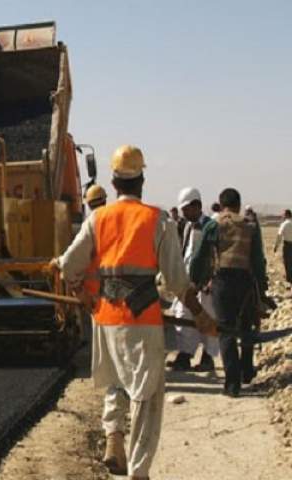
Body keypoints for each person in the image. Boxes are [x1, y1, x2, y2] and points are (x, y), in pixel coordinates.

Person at [53, 145, 212, 479]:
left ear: (113, 183)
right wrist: (199, 313)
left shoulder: (98, 218)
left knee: (115, 383)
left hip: (105, 319)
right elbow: (177, 281)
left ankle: (114, 437)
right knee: (147, 396)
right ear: (142, 180)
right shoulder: (158, 220)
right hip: (142, 320)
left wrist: (81, 293)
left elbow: (68, 266)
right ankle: (139, 472)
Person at [190, 188, 267, 397]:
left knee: (226, 331)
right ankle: (247, 370)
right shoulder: (250, 225)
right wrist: (262, 288)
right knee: (247, 326)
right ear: (238, 204)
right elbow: (258, 260)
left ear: (221, 204)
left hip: (222, 283)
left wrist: (196, 281)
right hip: (246, 283)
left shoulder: (213, 225)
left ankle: (232, 384)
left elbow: (200, 258)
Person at [166, 187, 219, 371]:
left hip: (205, 285)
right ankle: (185, 354)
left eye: (186, 209)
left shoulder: (209, 227)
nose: (184, 213)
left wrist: (207, 280)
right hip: (188, 282)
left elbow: (212, 257)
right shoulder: (188, 226)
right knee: (183, 316)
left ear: (197, 206)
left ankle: (207, 357)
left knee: (208, 318)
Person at [274, 209, 292, 287]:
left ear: (286, 215)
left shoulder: (284, 224)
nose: (282, 216)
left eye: (283, 215)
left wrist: (276, 246)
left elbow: (279, 236)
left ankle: (290, 280)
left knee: (288, 262)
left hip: (288, 246)